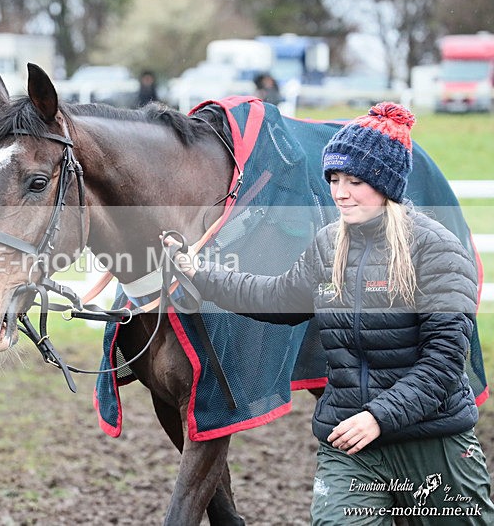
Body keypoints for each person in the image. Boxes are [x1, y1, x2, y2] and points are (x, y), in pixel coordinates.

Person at [164, 102, 494, 524]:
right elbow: (276, 298)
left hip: (433, 443)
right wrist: (198, 273)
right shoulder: (328, 245)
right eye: (335, 178)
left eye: (355, 180)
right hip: (350, 444)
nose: (340, 192)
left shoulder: (436, 250)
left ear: (386, 185)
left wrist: (379, 417)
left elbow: (444, 363)